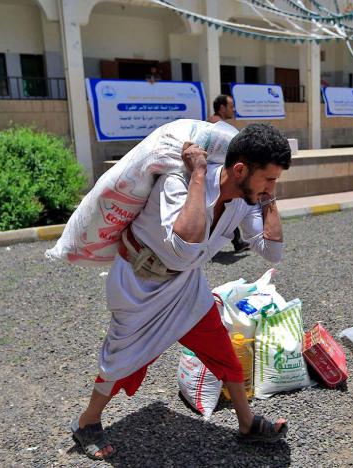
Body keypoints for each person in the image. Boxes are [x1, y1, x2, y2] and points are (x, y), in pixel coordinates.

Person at [70, 123, 291, 461]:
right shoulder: (181, 181)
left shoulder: (246, 200)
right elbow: (183, 250)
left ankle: (247, 424)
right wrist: (199, 174)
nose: (271, 187)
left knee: (221, 348)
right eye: (269, 179)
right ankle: (87, 422)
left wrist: (267, 197)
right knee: (121, 359)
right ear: (240, 170)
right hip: (138, 283)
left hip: (185, 285)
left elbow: (271, 251)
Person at [207, 94, 250, 253]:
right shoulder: (215, 124)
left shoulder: (219, 123)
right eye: (231, 106)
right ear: (222, 107)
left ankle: (236, 242)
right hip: (216, 177)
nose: (233, 109)